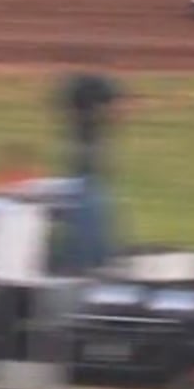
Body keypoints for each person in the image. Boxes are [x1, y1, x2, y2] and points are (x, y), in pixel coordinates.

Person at [53, 70, 126, 272]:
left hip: (84, 173)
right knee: (93, 207)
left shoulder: (82, 127)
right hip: (87, 175)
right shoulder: (90, 131)